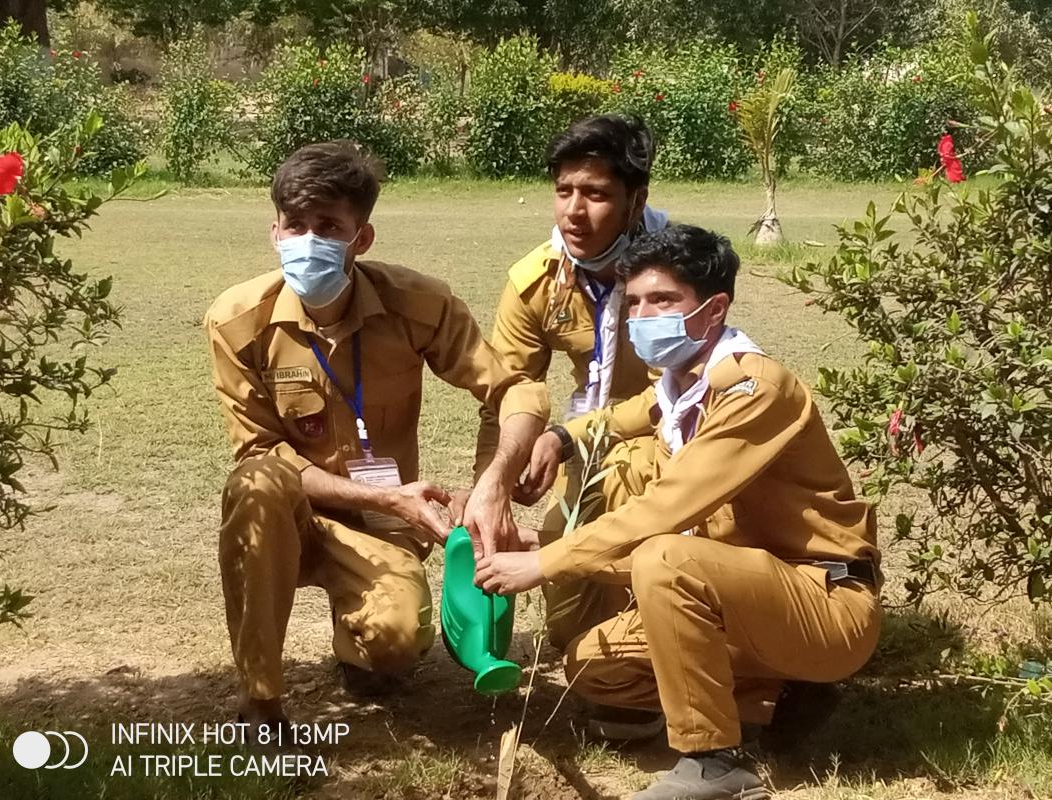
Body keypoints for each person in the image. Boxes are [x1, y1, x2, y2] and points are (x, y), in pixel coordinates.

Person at [476, 225, 882, 799]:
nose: (643, 315)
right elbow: (620, 417)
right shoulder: (677, 387)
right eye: (636, 301)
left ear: (714, 308)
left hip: (823, 601)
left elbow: (668, 512)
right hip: (742, 594)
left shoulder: (752, 388)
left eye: (664, 301)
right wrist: (561, 438)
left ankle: (714, 762)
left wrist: (546, 562)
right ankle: (778, 698)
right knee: (592, 665)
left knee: (665, 555)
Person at [204, 141, 549, 737]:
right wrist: (391, 498)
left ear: (361, 238)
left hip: (383, 527)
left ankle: (358, 642)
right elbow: (260, 451)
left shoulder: (419, 303)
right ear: (274, 232)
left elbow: (514, 390)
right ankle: (260, 706)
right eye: (295, 226)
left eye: (329, 227)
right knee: (257, 481)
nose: (308, 241)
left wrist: (490, 484)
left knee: (392, 647)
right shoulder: (238, 321)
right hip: (293, 513)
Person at [475, 114, 666, 663]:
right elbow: (506, 393)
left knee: (638, 532)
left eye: (596, 194)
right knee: (568, 631)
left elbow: (675, 400)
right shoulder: (535, 282)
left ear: (636, 201)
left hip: (669, 444)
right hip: (587, 448)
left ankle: (676, 651)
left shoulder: (675, 273)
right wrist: (495, 485)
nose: (574, 212)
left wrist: (564, 437)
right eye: (564, 191)